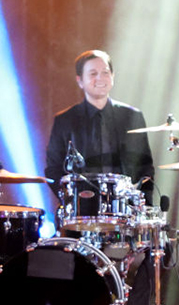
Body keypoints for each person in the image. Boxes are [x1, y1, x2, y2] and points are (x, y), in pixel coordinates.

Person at [45, 50, 154, 203]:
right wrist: (72, 201)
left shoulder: (132, 117)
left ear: (113, 77)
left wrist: (142, 203)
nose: (100, 78)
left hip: (125, 211)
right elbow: (53, 169)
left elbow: (146, 167)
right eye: (93, 73)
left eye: (105, 73)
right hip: (81, 211)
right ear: (80, 80)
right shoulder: (65, 120)